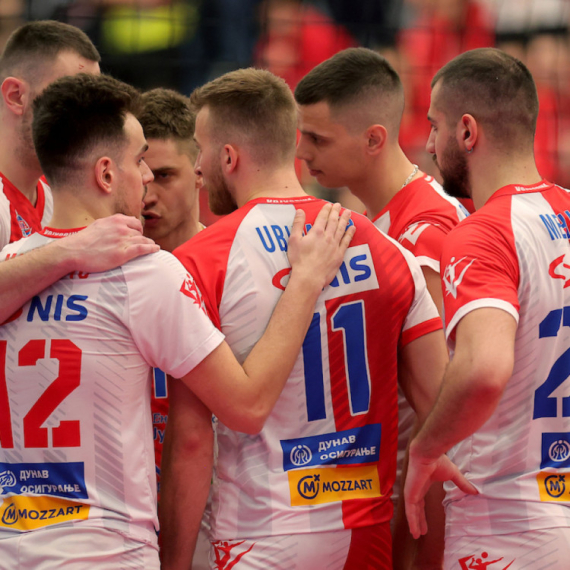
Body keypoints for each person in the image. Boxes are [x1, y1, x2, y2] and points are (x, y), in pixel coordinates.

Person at [0, 72, 353, 570]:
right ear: (106, 174)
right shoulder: (145, 272)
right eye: (139, 160)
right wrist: (306, 281)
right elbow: (247, 406)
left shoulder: (13, 266)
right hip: (108, 554)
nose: (145, 177)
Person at [161, 67, 448, 570]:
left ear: (228, 157)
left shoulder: (199, 261)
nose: (199, 168)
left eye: (201, 151)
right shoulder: (386, 249)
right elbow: (441, 405)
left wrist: (174, 562)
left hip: (261, 535)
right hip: (365, 531)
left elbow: (190, 440)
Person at [294, 46, 466, 565]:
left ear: (373, 139)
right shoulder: (377, 219)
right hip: (384, 479)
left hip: (421, 491)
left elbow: (440, 400)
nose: (301, 152)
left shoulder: (425, 232)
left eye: (318, 139)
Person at [405, 47, 570, 568]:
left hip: (508, 525)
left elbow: (483, 369)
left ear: (467, 131)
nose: (429, 144)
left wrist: (425, 448)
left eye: (435, 126)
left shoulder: (483, 233)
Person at [137, 87, 211, 570]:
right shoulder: (101, 271)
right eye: (140, 173)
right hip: (128, 508)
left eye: (164, 176)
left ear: (200, 171)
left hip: (216, 508)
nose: (147, 194)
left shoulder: (233, 268)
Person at [0, 19, 101, 250]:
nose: (89, 120)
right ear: (16, 96)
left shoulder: (60, 196)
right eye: (70, 98)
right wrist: (62, 255)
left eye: (93, 102)